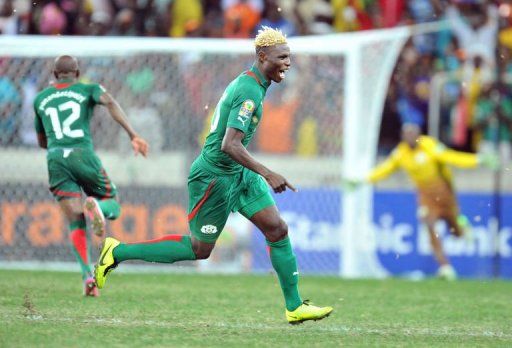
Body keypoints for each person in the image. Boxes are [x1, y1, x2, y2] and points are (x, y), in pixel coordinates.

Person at [94, 27, 333, 324]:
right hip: (214, 177)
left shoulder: (255, 85)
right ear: (262, 56)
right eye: (282, 57)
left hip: (239, 173)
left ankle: (294, 306)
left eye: (289, 57)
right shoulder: (248, 91)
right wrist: (268, 172)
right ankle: (117, 252)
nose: (287, 63)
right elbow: (229, 144)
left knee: (277, 229)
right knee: (200, 249)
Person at [34, 55, 149, 296]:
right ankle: (97, 206)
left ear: (54, 75)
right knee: (113, 205)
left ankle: (87, 276)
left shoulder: (41, 99)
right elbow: (110, 102)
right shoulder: (88, 89)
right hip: (82, 153)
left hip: (55, 158)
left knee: (75, 219)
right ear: (77, 73)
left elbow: (42, 140)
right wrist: (133, 135)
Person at [349, 123, 497, 280]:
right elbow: (385, 169)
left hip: (444, 192)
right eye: (406, 134)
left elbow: (451, 157)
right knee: (429, 224)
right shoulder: (400, 153)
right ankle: (445, 268)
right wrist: (362, 180)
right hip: (425, 196)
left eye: (413, 134)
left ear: (419, 135)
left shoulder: (430, 145)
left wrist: (478, 159)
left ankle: (462, 224)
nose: (410, 137)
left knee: (456, 233)